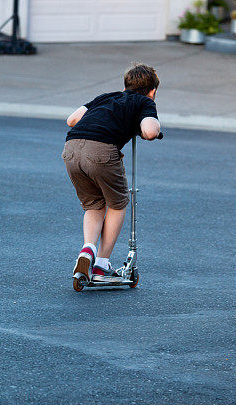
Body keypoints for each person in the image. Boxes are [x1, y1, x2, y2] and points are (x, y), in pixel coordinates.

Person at [63, 63, 162, 282]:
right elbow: (149, 131)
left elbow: (71, 120)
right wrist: (153, 127)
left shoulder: (105, 97)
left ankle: (87, 249)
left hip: (71, 149)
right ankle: (101, 265)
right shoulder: (144, 102)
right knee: (118, 204)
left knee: (94, 205)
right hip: (101, 150)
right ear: (153, 91)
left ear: (126, 84)